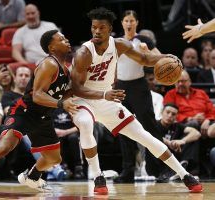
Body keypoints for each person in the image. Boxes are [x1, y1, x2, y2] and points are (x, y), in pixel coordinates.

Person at [70, 7, 202, 195]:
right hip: (84, 100)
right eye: (94, 27)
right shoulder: (84, 53)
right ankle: (98, 175)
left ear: (110, 28)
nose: (97, 31)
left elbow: (144, 58)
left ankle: (185, 175)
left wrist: (166, 57)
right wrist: (103, 95)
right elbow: (75, 88)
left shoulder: (120, 45)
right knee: (85, 123)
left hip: (108, 100)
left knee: (144, 135)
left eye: (101, 27)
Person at [0, 29, 78, 197]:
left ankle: (32, 176)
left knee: (54, 159)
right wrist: (62, 103)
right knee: (5, 147)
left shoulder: (66, 70)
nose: (66, 40)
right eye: (61, 39)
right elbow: (37, 95)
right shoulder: (49, 64)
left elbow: (66, 93)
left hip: (43, 117)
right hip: (24, 111)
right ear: (51, 47)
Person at [113, 10, 164, 183]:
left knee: (150, 127)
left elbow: (160, 59)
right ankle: (128, 172)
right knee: (124, 128)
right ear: (122, 23)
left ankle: (157, 170)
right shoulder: (116, 42)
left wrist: (147, 51)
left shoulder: (144, 40)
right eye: (126, 20)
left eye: (132, 20)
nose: (129, 23)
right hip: (120, 87)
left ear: (136, 23)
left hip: (139, 86)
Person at [148, 103, 201, 181]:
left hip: (173, 157)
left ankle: (184, 166)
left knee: (192, 139)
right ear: (162, 112)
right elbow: (150, 135)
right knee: (152, 143)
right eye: (167, 112)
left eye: (173, 114)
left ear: (176, 116)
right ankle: (169, 173)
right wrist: (169, 143)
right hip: (156, 161)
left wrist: (182, 141)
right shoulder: (154, 124)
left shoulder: (177, 126)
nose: (170, 116)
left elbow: (197, 133)